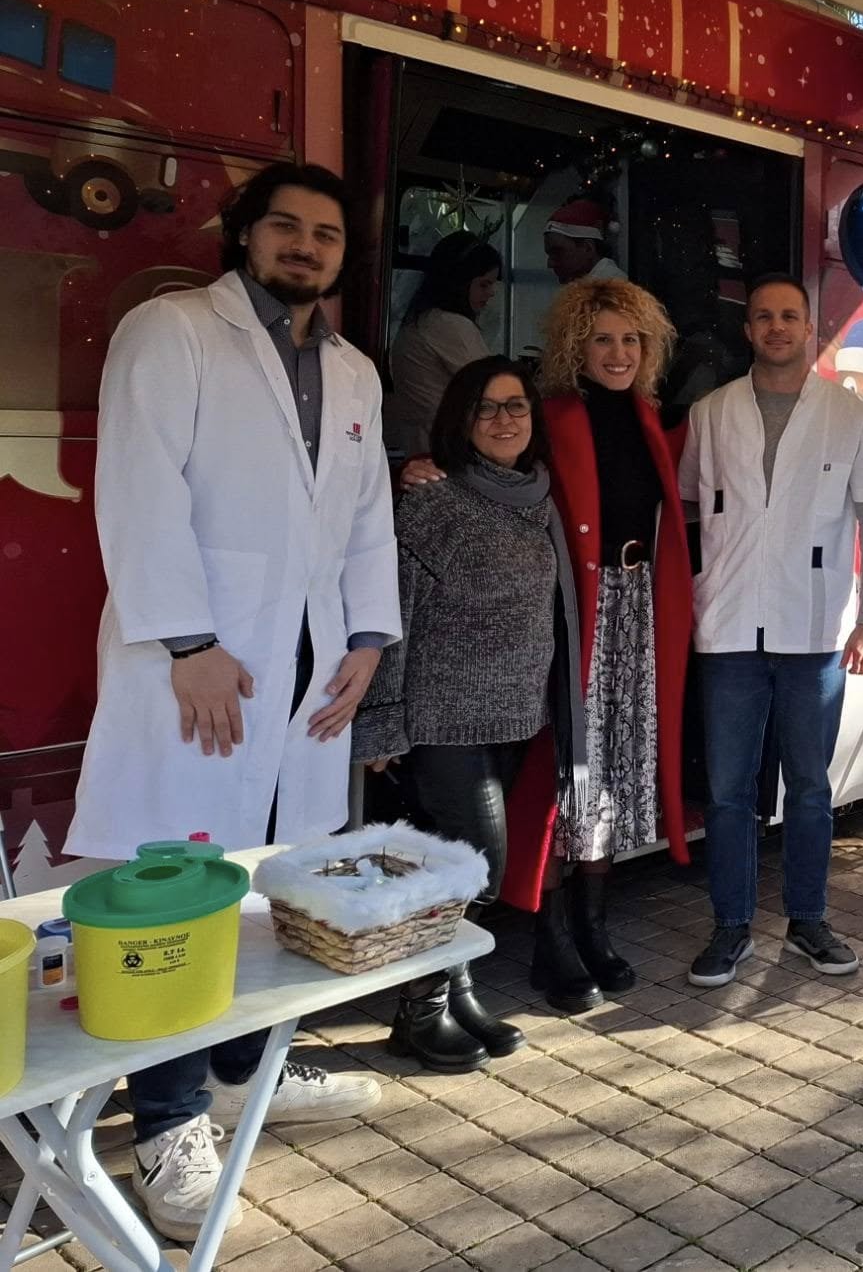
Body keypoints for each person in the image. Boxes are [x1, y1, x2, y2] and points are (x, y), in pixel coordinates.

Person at [63, 162, 397, 1241]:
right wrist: (189, 641)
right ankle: (166, 1123)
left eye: (327, 234)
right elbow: (139, 488)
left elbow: (368, 519)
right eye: (286, 226)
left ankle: (246, 1068)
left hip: (309, 662)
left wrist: (367, 640)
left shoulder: (353, 371)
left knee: (272, 878)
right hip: (199, 658)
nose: (306, 246)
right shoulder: (173, 332)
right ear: (245, 233)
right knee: (179, 885)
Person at [353, 358, 578, 1070]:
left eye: (516, 406)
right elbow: (393, 617)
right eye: (486, 408)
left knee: (455, 867)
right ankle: (417, 1013)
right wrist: (382, 720)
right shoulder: (433, 502)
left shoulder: (537, 496)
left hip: (514, 716)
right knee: (473, 868)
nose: (504, 420)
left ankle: (458, 992)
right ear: (460, 419)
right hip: (442, 718)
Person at [677, 275, 863, 988]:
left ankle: (808, 920)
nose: (776, 327)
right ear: (747, 330)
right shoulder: (711, 413)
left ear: (809, 329)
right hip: (729, 629)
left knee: (808, 787)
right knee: (728, 792)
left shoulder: (850, 414)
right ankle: (731, 926)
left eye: (790, 316)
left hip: (814, 630)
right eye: (763, 316)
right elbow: (687, 508)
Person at [499, 278, 694, 1009]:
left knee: (613, 771)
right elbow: (494, 474)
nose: (618, 353)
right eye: (603, 339)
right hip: (572, 612)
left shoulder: (650, 417)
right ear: (575, 346)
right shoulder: (547, 417)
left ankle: (593, 927)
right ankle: (548, 941)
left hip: (636, 608)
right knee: (565, 773)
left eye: (630, 340)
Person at [384, 231, 499, 455]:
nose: (491, 293)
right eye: (483, 285)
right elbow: (495, 388)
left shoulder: (422, 321)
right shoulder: (448, 324)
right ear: (459, 283)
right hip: (449, 451)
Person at [543, 198, 624, 285]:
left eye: (557, 252)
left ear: (588, 248)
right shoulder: (595, 286)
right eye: (550, 254)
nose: (550, 264)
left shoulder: (608, 289)